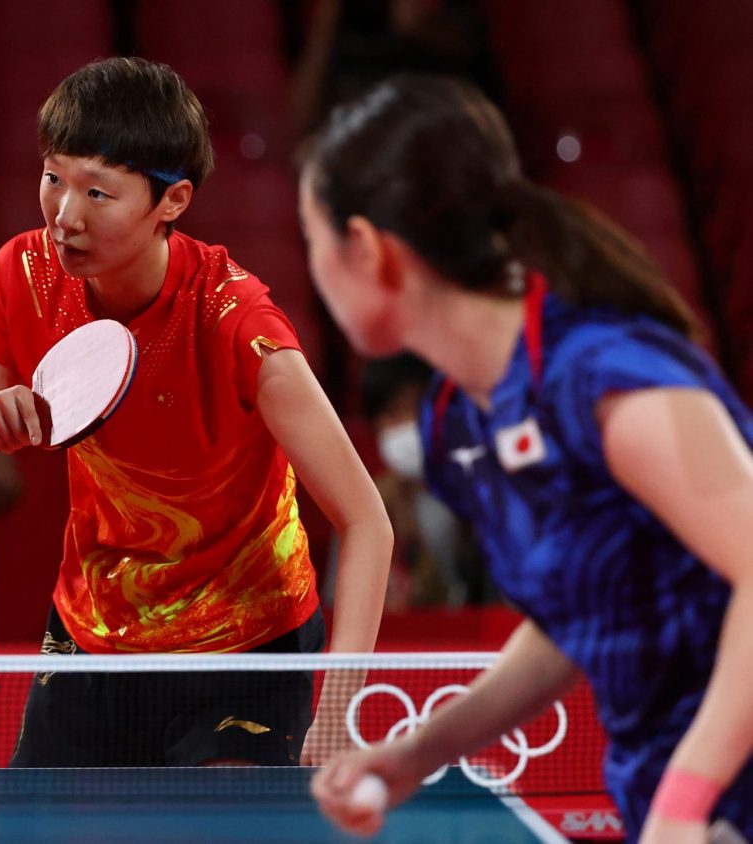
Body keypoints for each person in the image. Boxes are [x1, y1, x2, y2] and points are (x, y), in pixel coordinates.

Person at [303, 75, 753, 842]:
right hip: (671, 798)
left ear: (372, 251)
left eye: (313, 240)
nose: (311, 266)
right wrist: (417, 754)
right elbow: (572, 619)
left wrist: (690, 796)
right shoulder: (460, 425)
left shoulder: (605, 378)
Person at [0, 57, 392, 768]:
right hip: (94, 631)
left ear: (173, 201)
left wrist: (339, 710)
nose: (65, 215)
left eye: (98, 192)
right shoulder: (23, 275)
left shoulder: (235, 321)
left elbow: (367, 520)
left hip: (247, 646)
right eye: (52, 178)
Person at [356, 354, 483, 609]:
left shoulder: (480, 496)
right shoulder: (362, 506)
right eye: (386, 416)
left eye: (406, 410)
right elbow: (338, 604)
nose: (394, 426)